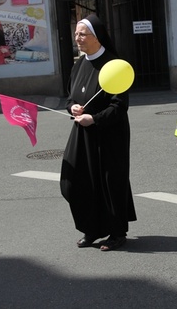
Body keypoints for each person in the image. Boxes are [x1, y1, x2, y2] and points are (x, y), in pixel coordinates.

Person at [60, 14, 137, 251]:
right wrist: (72, 106)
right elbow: (71, 95)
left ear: (97, 36)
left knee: (109, 181)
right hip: (82, 131)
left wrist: (94, 118)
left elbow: (119, 105)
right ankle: (90, 228)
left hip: (109, 132)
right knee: (76, 181)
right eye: (76, 34)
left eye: (83, 34)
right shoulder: (80, 63)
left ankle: (116, 232)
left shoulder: (113, 63)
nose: (78, 38)